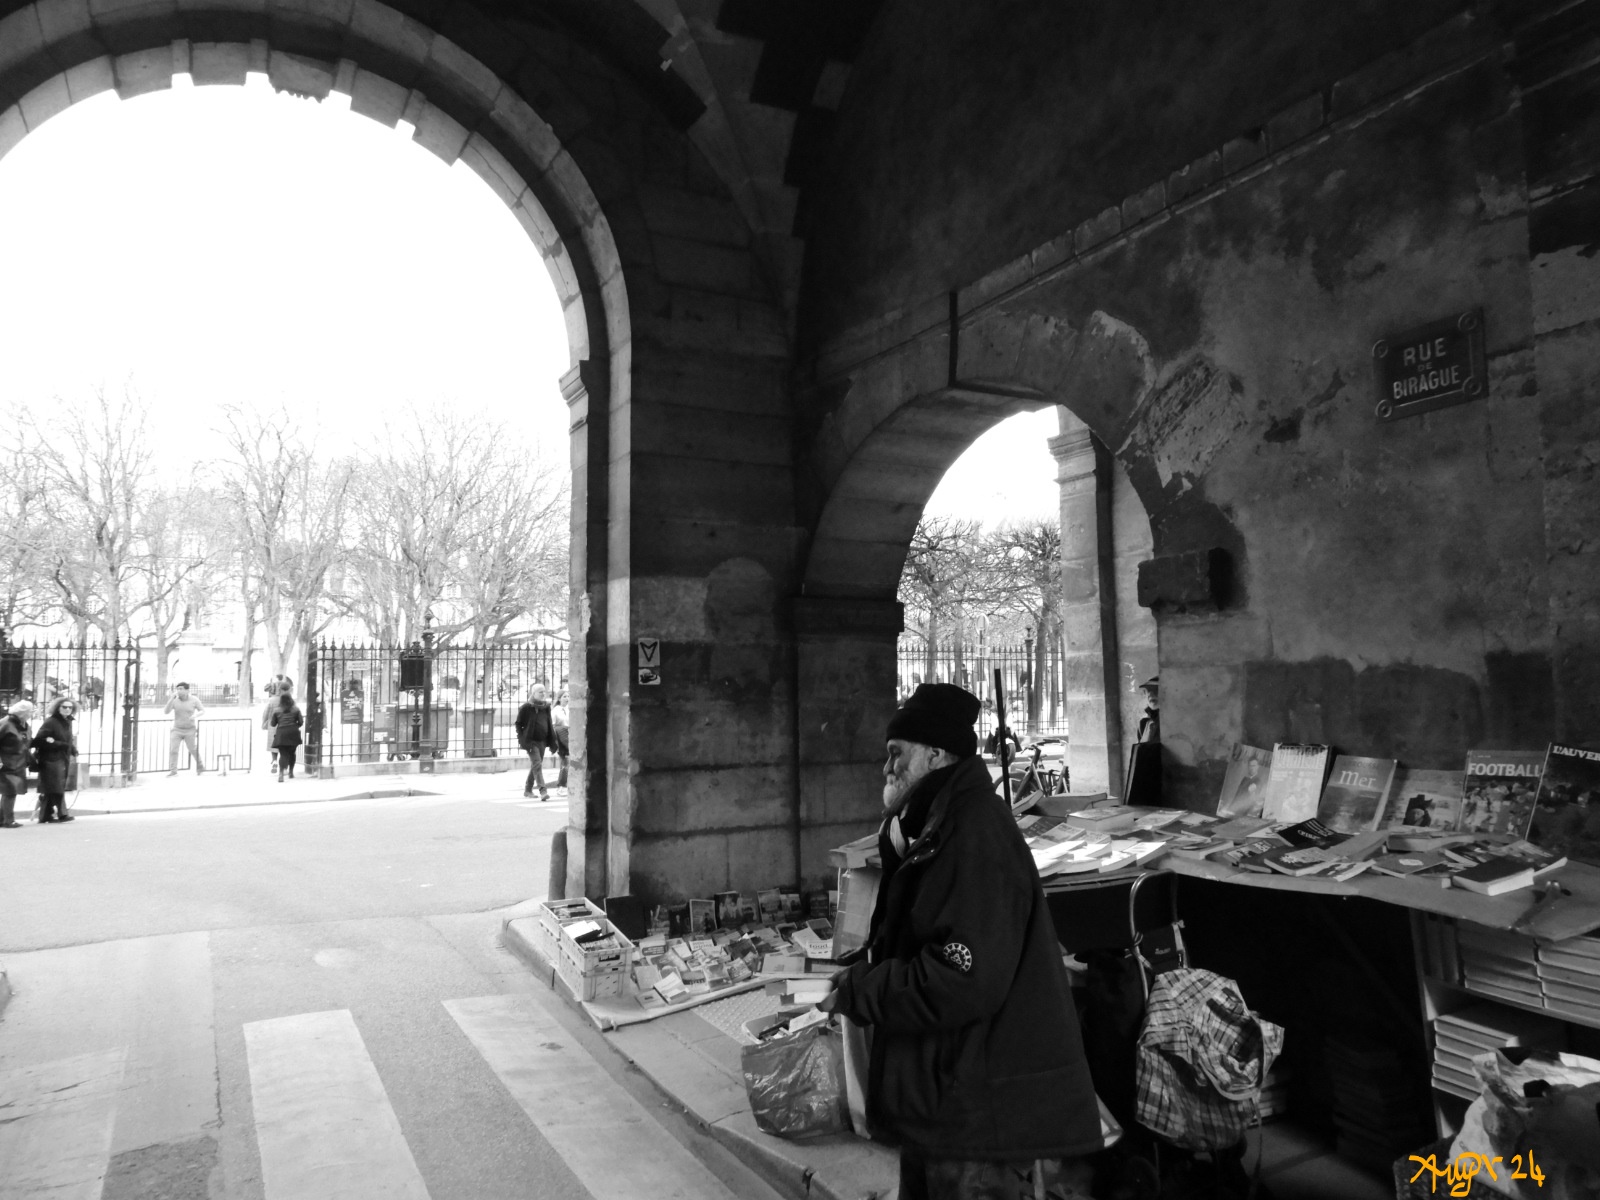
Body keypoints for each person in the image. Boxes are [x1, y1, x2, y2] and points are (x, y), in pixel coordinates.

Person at [820, 682, 1101, 1199]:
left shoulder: (972, 833)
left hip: (978, 1114)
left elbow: (962, 977)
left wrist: (866, 989)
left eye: (896, 754)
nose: (886, 769)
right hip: (944, 1098)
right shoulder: (934, 825)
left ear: (935, 754)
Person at [31, 695, 79, 823]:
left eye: (70, 707)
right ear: (58, 708)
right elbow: (38, 741)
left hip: (62, 758)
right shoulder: (51, 722)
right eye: (64, 707)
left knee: (51, 787)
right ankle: (63, 814)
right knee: (57, 787)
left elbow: (67, 739)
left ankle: (45, 815)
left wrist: (72, 748)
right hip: (50, 759)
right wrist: (58, 744)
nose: (67, 709)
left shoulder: (68, 721)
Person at [515, 682, 559, 800]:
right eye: (540, 692)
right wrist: (522, 740)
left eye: (544, 691)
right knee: (537, 764)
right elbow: (518, 724)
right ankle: (543, 790)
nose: (543, 694)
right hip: (531, 742)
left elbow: (549, 723)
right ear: (533, 693)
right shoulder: (526, 707)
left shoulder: (546, 707)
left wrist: (552, 740)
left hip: (542, 741)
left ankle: (528, 790)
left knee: (536, 765)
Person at [0, 699, 34, 829]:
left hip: (19, 762)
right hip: (7, 762)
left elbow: (27, 742)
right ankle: (8, 820)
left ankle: (3, 819)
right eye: (30, 711)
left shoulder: (23, 724)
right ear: (23, 712)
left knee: (10, 791)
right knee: (10, 791)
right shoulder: (6, 724)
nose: (31, 713)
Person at [165, 681, 206, 775]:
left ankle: (200, 767)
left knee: (192, 749)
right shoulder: (175, 700)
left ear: (187, 690)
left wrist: (195, 715)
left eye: (181, 689)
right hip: (177, 729)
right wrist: (171, 699)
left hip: (190, 729)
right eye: (177, 689)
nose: (178, 691)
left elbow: (202, 711)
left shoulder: (194, 700)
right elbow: (166, 712)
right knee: (173, 750)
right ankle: (173, 771)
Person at [270, 691, 303, 782]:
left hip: (282, 734)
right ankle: (291, 772)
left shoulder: (277, 710)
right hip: (293, 733)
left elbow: (273, 724)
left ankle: (281, 773)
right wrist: (295, 726)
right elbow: (301, 722)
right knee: (292, 753)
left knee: (283, 754)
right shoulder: (296, 709)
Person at [551, 688, 570, 793]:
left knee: (568, 762)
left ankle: (564, 784)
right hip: (560, 737)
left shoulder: (569, 709)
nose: (567, 698)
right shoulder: (555, 710)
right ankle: (561, 785)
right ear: (559, 699)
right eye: (564, 696)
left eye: (568, 696)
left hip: (568, 736)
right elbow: (552, 726)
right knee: (565, 762)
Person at [1136, 675, 1160, 743]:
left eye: (1156, 689)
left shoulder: (1175, 721)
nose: (1150, 694)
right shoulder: (1143, 724)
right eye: (1148, 690)